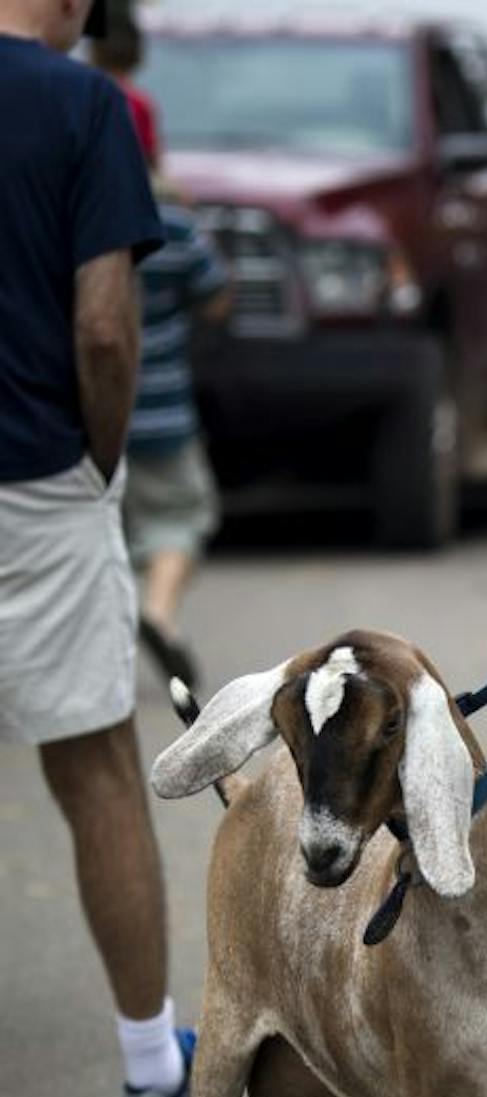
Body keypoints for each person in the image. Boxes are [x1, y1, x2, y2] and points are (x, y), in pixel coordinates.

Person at [0, 0, 195, 1097]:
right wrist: (97, 462)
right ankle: (148, 1069)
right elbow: (106, 329)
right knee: (96, 772)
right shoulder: (85, 105)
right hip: (35, 475)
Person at [93, 21, 230, 694]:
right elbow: (215, 296)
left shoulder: (81, 225)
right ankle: (159, 610)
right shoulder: (173, 227)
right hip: (166, 411)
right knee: (182, 515)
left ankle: (103, 638)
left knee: (102, 530)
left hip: (90, 410)